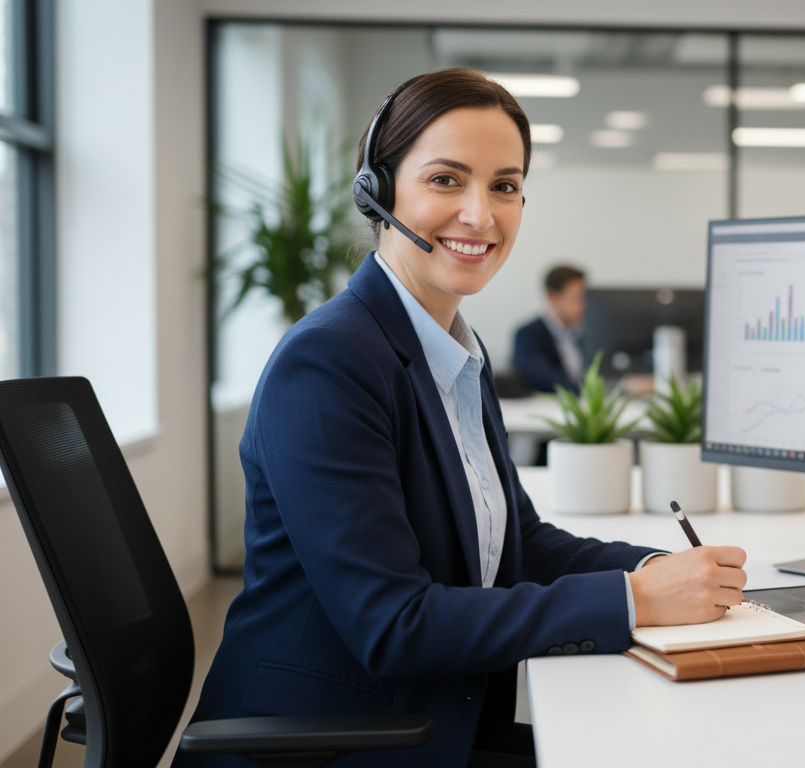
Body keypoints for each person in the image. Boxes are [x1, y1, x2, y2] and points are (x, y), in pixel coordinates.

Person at [176, 69, 747, 768]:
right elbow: (395, 625)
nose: (481, 215)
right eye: (446, 180)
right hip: (329, 743)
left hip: (427, 720)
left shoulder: (450, 352)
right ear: (377, 191)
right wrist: (631, 601)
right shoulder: (328, 362)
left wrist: (666, 570)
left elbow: (520, 544)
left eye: (505, 186)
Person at [512, 265, 586, 393]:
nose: (583, 306)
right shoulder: (528, 335)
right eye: (576, 299)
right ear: (552, 296)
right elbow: (545, 380)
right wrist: (601, 391)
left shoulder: (582, 334)